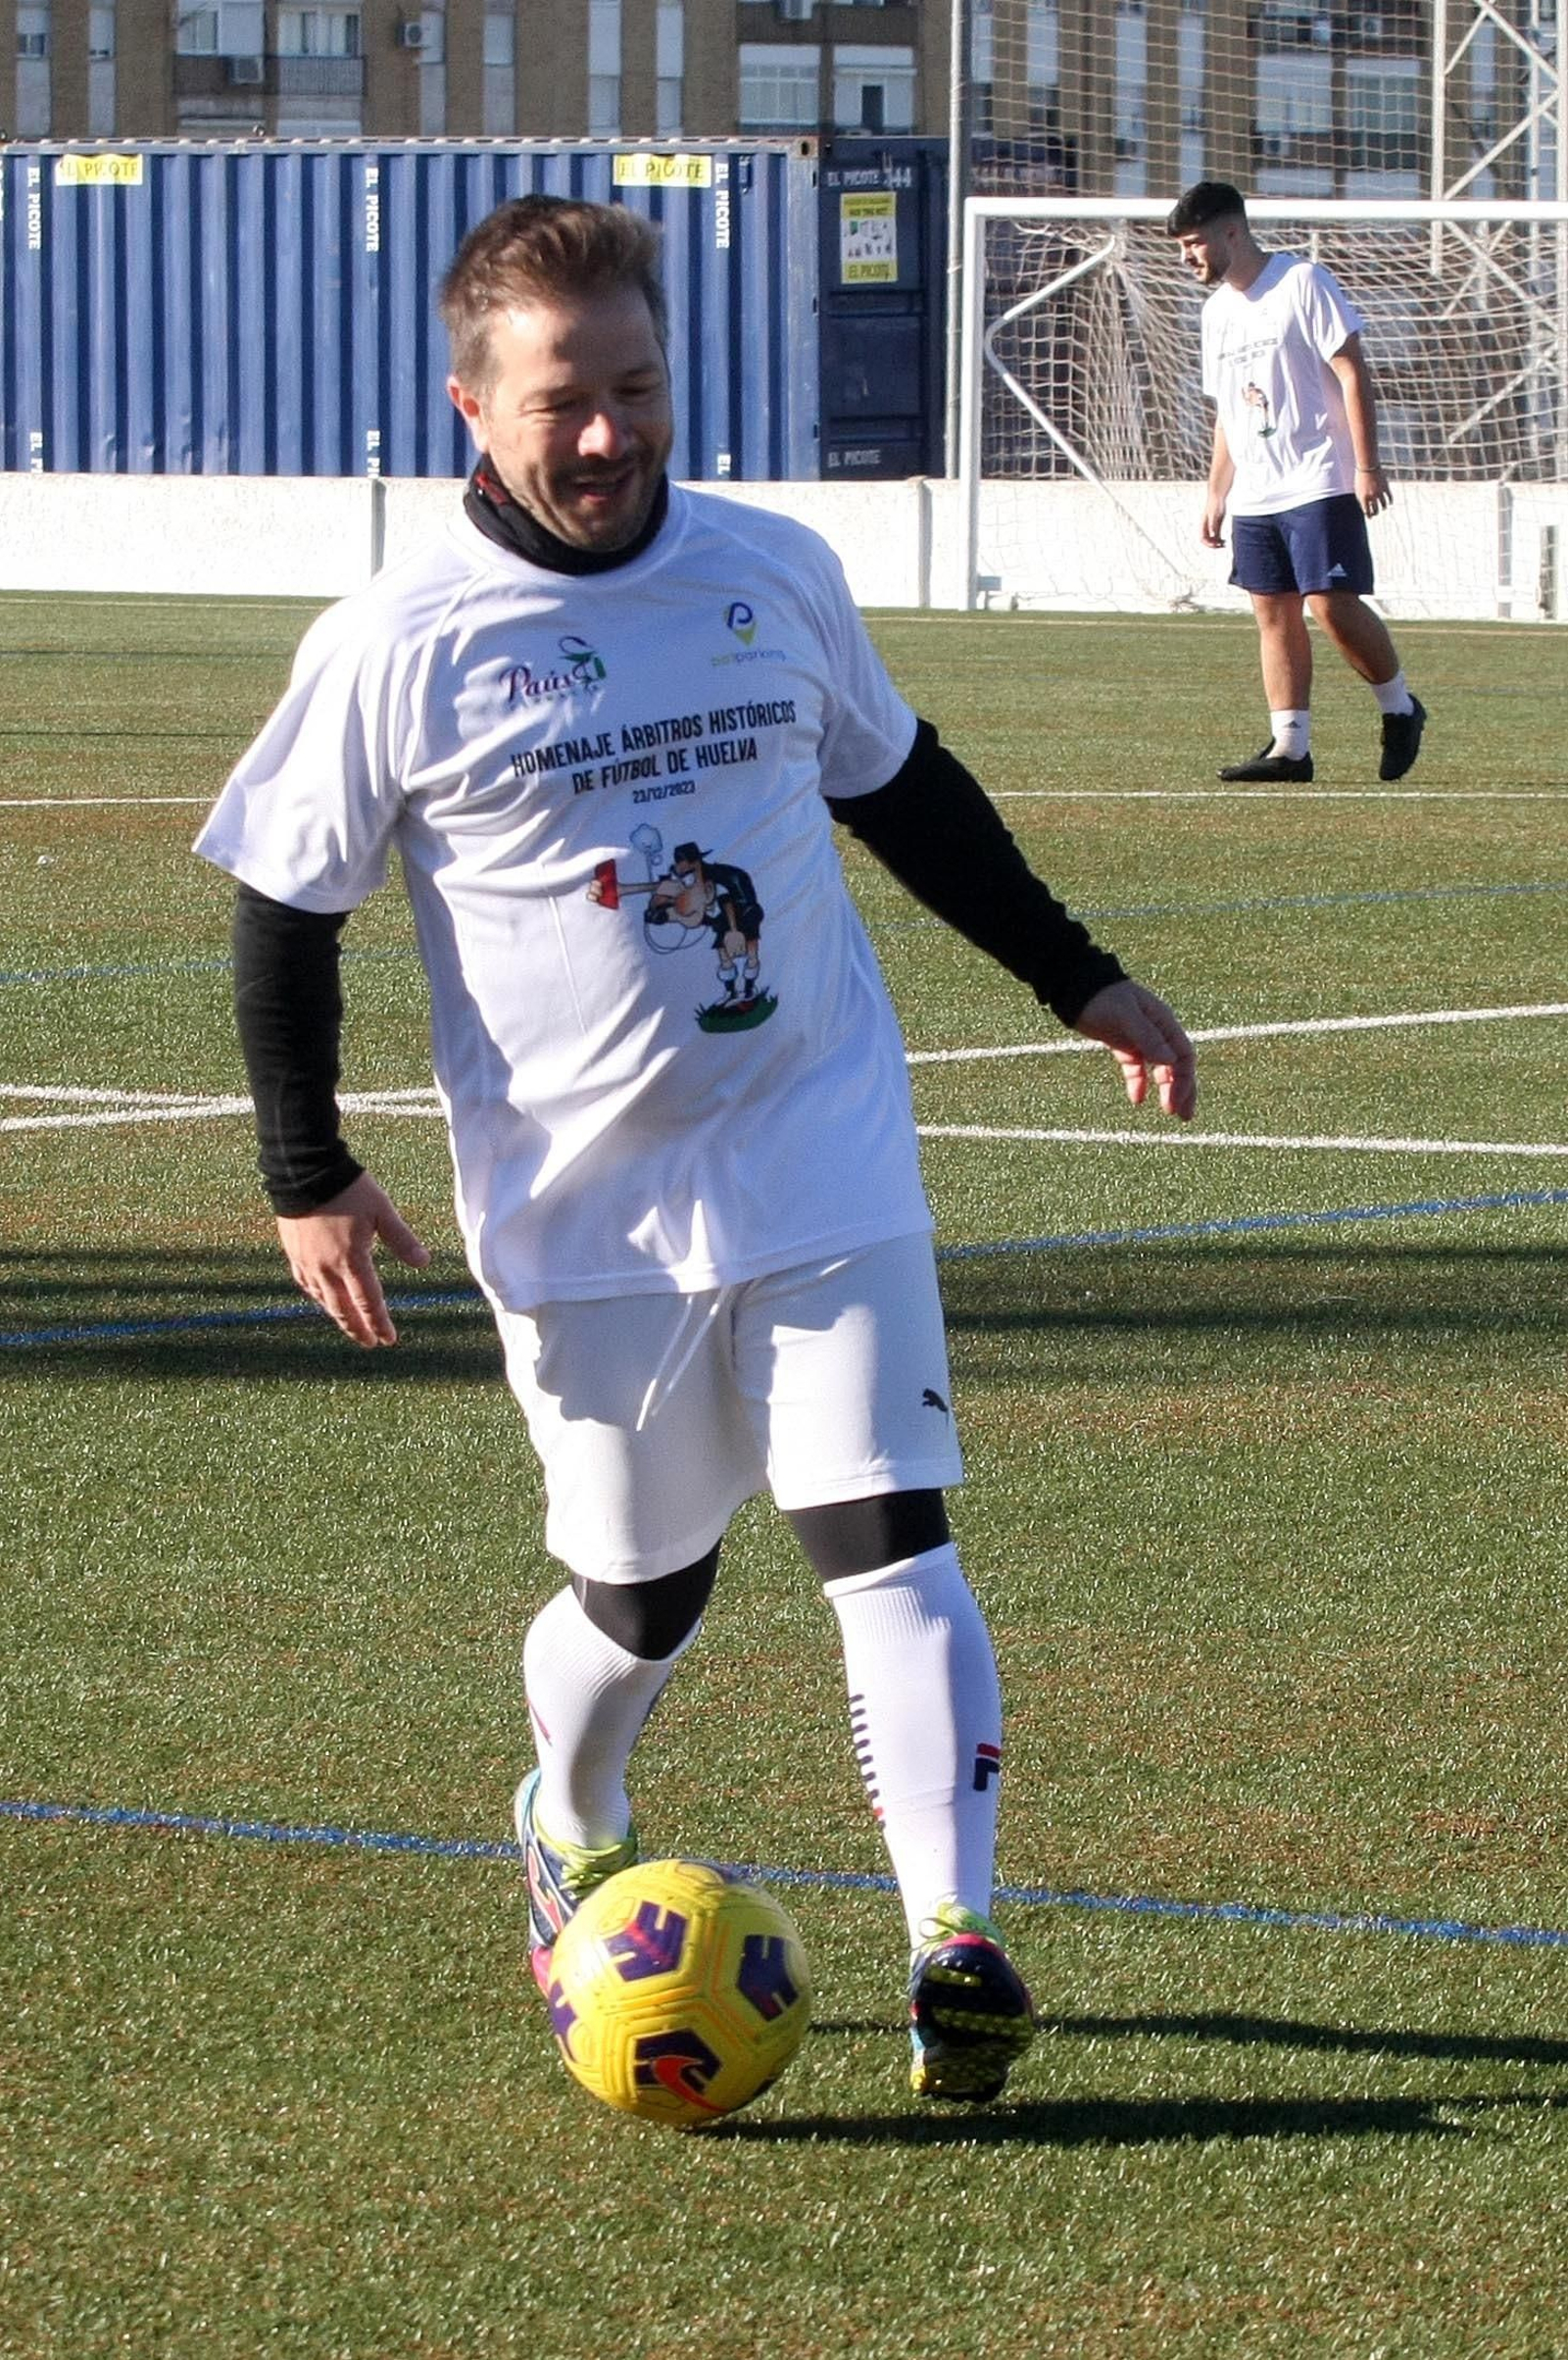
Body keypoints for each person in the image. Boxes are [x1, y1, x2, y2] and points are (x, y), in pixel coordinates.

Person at [196, 196, 1198, 2106]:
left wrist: (1078, 975)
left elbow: (900, 785)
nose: (607, 435)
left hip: (818, 1150)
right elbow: (284, 909)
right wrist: (305, 1166)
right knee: (644, 1595)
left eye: (638, 389)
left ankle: (951, 1942)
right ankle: (564, 1803)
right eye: (563, 400)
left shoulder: (770, 572)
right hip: (580, 1215)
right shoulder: (397, 641)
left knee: (886, 1532)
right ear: (470, 407)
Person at [1166, 180, 1427, 784]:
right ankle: (1290, 747)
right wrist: (1215, 492)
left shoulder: (1302, 282)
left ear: (1232, 232)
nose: (1188, 257)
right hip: (1257, 490)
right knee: (1272, 612)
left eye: (1195, 243)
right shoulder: (1215, 312)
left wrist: (1367, 465)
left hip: (1319, 477)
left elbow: (1352, 367)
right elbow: (1229, 411)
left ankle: (1400, 708)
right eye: (1181, 247)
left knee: (1329, 603)